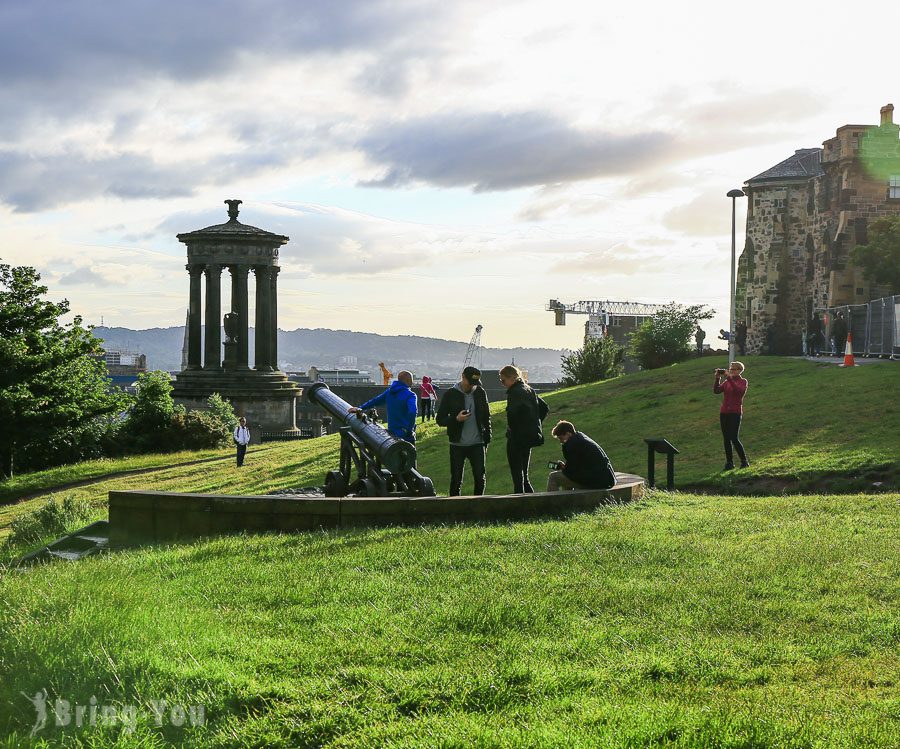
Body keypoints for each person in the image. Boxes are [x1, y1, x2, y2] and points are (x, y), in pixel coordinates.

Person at [435, 366, 492, 496]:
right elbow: (440, 419)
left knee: (480, 477)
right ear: (463, 377)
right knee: (456, 479)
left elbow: (486, 416)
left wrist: (487, 438)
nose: (471, 386)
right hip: (457, 445)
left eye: (475, 384)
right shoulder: (450, 394)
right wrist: (456, 419)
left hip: (477, 443)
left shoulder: (480, 392)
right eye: (470, 383)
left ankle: (479, 504)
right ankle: (455, 506)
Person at [499, 364, 548, 493]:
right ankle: (532, 502)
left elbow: (513, 414)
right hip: (529, 437)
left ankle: (519, 503)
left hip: (516, 438)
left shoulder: (514, 392)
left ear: (512, 378)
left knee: (517, 476)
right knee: (524, 475)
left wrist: (512, 430)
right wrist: (534, 424)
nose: (502, 383)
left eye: (503, 380)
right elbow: (544, 408)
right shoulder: (528, 389)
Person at [350, 370, 417, 442]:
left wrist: (360, 408)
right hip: (405, 434)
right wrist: (409, 430)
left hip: (392, 433)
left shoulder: (389, 392)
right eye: (411, 380)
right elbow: (412, 412)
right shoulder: (411, 395)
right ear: (408, 380)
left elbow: (375, 401)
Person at [713, 361, 749, 470]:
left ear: (739, 371)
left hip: (735, 412)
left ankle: (744, 461)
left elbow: (738, 391)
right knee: (726, 439)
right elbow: (716, 391)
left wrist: (729, 378)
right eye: (730, 369)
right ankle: (729, 463)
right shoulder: (727, 382)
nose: (730, 370)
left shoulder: (743, 381)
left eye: (733, 369)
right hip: (724, 412)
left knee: (734, 437)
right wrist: (717, 378)